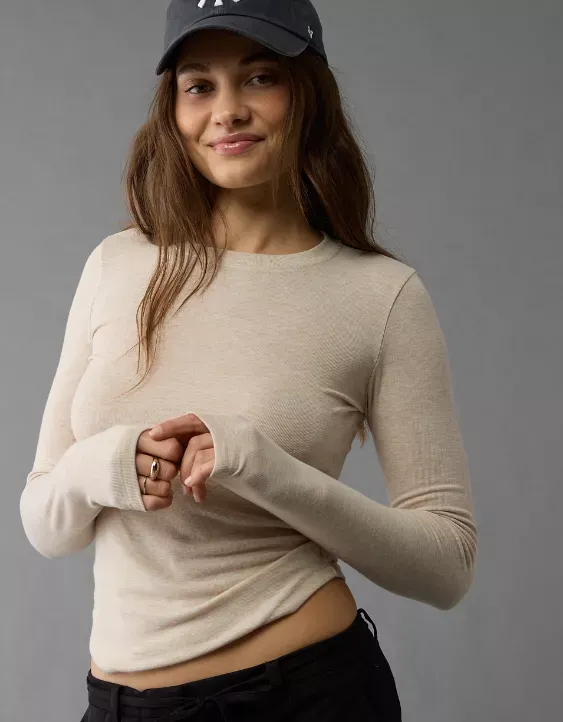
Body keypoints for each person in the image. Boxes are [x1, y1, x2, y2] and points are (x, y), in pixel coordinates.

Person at [20, 1, 477, 720]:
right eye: (199, 85)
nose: (226, 110)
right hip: (119, 706)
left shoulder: (379, 296)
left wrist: (265, 469)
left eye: (260, 77)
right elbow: (46, 522)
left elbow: (447, 565)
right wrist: (101, 465)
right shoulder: (116, 264)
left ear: (307, 93)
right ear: (173, 108)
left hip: (300, 695)